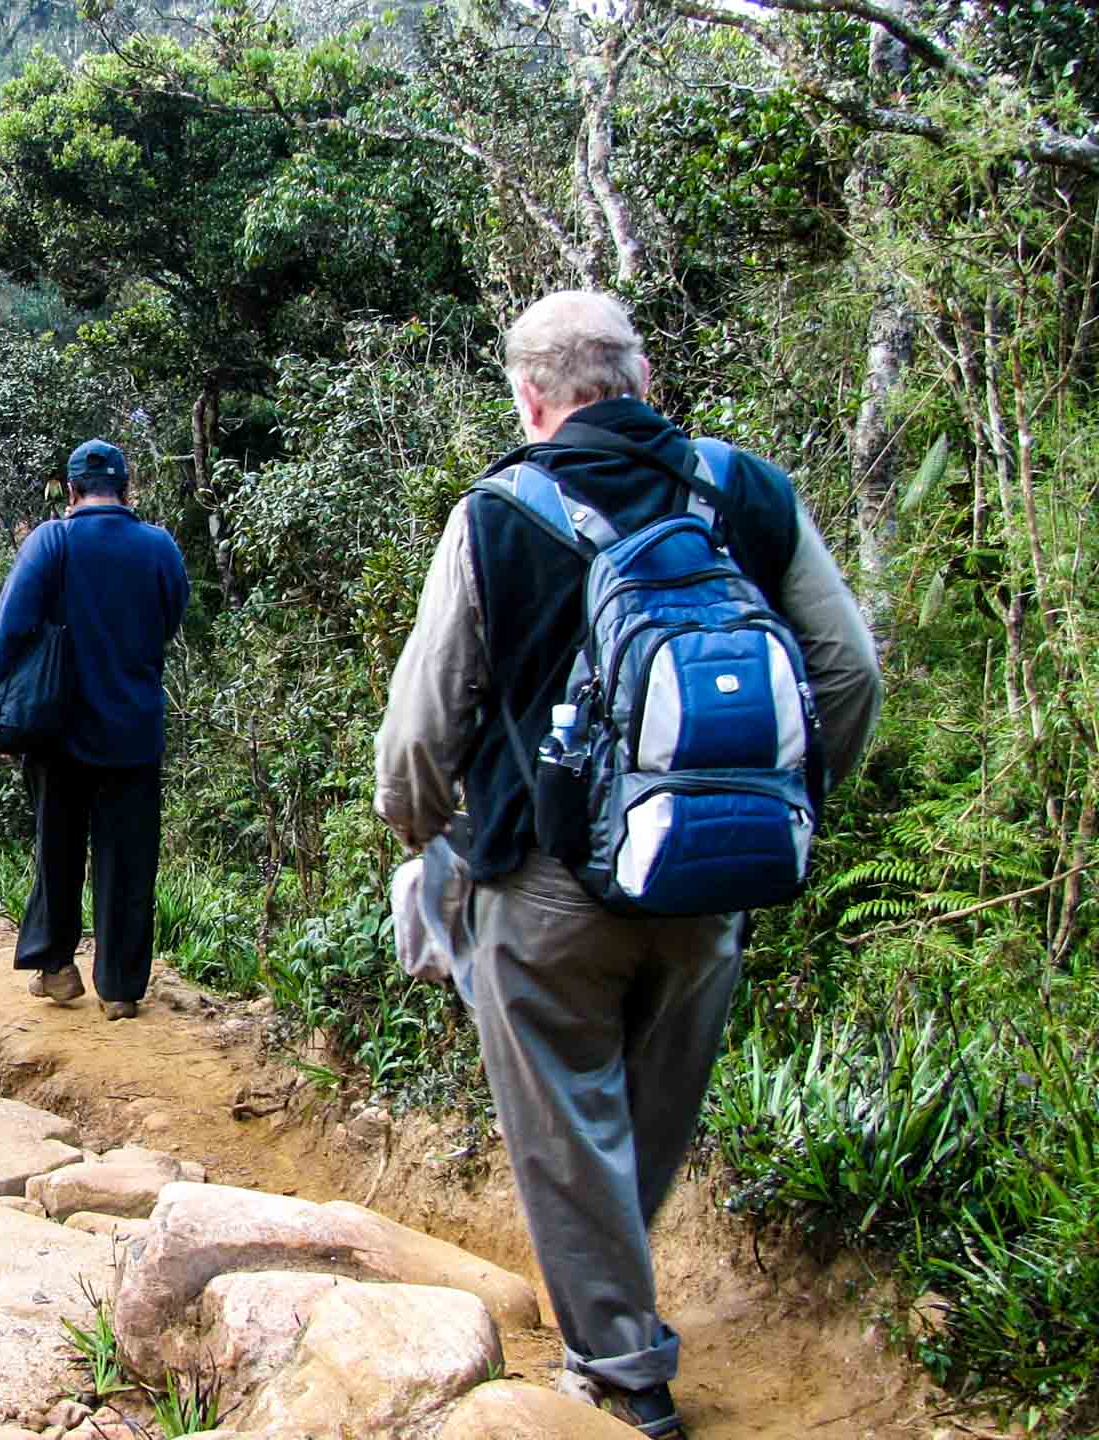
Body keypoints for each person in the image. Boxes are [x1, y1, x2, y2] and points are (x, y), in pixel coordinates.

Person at [374, 290, 883, 1438]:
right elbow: (846, 670)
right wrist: (777, 810)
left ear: (530, 395)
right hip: (710, 879)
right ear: (641, 376)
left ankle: (619, 1374)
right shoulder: (746, 493)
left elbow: (420, 726)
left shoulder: (497, 513)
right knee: (643, 1119)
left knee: (565, 1129)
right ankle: (614, 1310)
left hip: (543, 887)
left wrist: (423, 837)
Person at [0, 439, 190, 1020]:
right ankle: (120, 990)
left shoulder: (52, 540)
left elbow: (11, 629)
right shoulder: (159, 547)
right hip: (134, 730)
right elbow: (171, 620)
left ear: (69, 490)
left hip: (58, 729)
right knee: (129, 860)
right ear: (127, 487)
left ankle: (56, 968)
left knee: (57, 847)